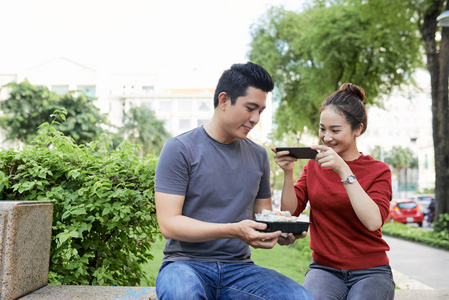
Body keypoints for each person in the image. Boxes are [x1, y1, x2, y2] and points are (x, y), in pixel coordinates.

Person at [154, 62, 312, 300]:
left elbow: (263, 217)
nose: (255, 118)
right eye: (250, 108)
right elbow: (169, 224)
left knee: (300, 298)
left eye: (261, 111)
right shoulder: (180, 149)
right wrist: (234, 231)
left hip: (240, 269)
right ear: (224, 100)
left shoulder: (258, 155)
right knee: (182, 294)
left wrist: (279, 233)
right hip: (185, 265)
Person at [273, 83, 395, 300]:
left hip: (371, 270)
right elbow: (289, 212)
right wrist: (289, 173)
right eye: (322, 129)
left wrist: (343, 169)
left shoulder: (379, 171)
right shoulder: (313, 167)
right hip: (325, 269)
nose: (326, 137)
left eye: (335, 130)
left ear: (358, 129)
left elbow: (373, 221)